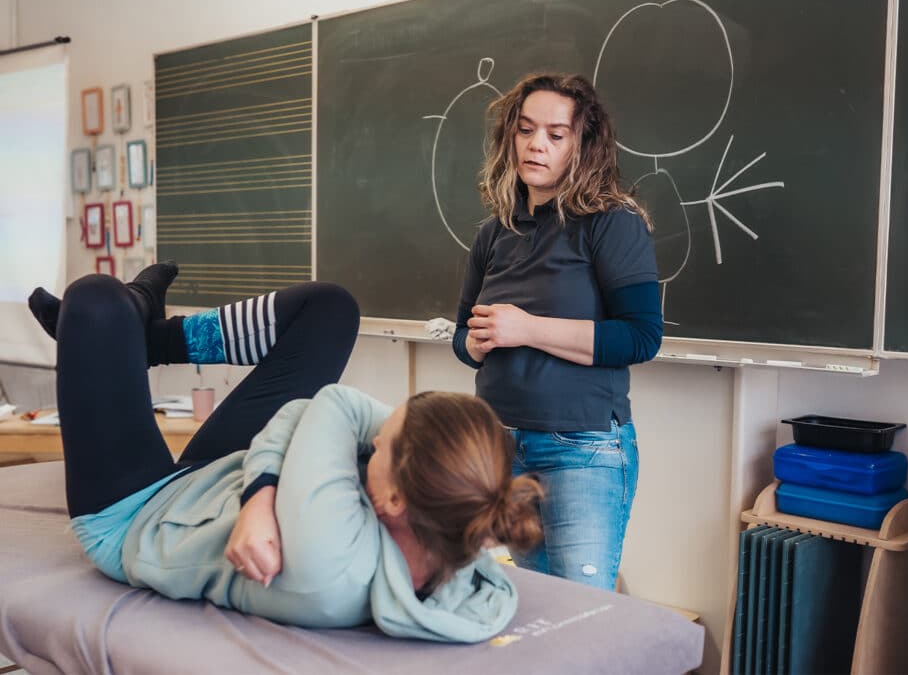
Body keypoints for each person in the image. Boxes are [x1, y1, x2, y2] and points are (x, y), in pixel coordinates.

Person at [28, 265, 543, 642]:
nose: (375, 436)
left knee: (95, 300)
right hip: (223, 481)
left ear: (389, 501)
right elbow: (316, 412)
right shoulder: (454, 519)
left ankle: (127, 314)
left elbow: (331, 408)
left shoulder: (329, 563)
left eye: (381, 444)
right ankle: (150, 340)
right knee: (330, 309)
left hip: (139, 515)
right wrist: (259, 496)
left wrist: (263, 487)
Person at [452, 73, 662, 592]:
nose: (536, 145)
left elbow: (641, 337)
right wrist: (473, 344)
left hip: (583, 448)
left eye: (555, 134)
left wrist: (527, 329)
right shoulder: (493, 232)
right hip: (504, 445)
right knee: (540, 608)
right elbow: (462, 334)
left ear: (582, 145)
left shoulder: (611, 224)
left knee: (582, 617)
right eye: (525, 131)